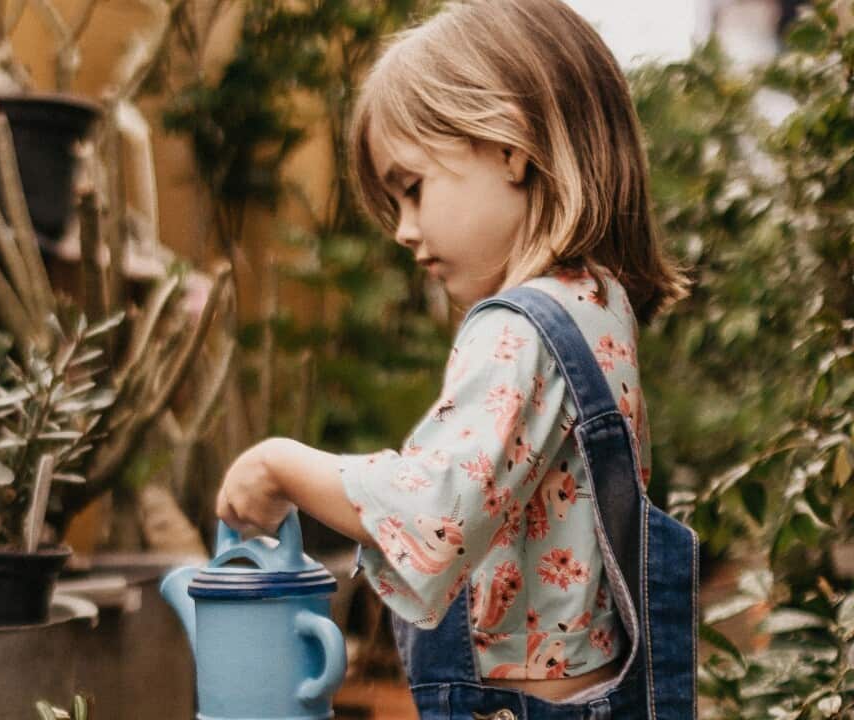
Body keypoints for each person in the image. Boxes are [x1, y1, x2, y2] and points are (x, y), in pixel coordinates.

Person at [214, 0, 699, 716]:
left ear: (511, 145)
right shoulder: (597, 303)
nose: (405, 231)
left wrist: (277, 463)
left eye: (412, 189)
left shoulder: (517, 330)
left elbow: (434, 510)